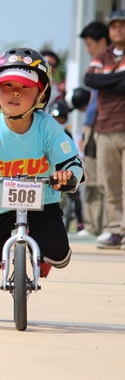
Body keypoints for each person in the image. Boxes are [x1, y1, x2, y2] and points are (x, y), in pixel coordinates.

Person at [0, 47, 85, 318]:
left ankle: (41, 255)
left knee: (60, 256)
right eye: (7, 86)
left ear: (41, 94)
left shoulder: (47, 127)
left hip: (42, 201)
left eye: (24, 87)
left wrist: (67, 177)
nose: (14, 93)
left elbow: (74, 163)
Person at [84, 9, 125, 249]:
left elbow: (101, 81)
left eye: (122, 24)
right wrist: (117, 80)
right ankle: (114, 229)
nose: (117, 29)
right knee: (109, 183)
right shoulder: (103, 54)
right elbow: (90, 80)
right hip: (104, 128)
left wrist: (106, 80)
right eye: (113, 25)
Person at [78, 21, 110, 240]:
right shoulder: (96, 67)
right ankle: (91, 226)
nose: (88, 50)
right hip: (92, 127)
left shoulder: (114, 63)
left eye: (89, 45)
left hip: (109, 127)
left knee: (110, 179)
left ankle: (111, 227)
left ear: (102, 42)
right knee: (90, 175)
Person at [49, 100, 85, 233]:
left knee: (75, 193)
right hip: (49, 170)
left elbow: (72, 154)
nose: (58, 122)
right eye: (55, 119)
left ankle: (80, 221)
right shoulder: (45, 133)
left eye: (61, 119)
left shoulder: (67, 136)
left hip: (64, 170)